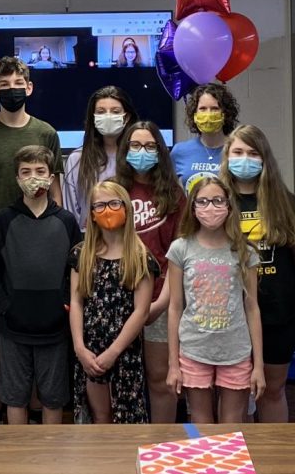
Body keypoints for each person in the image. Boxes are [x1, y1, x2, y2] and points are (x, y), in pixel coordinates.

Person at [0, 55, 63, 424]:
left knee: (40, 332)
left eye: (18, 85)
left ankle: (36, 408)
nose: (12, 91)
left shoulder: (46, 133)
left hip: (40, 250)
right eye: (4, 86)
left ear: (30, 88)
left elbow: (55, 192)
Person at [0, 145, 82, 425]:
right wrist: (4, 306)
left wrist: (64, 304)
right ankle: (17, 460)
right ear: (16, 179)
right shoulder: (4, 220)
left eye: (40, 171)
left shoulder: (66, 221)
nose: (33, 177)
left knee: (53, 396)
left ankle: (50, 459)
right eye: (25, 172)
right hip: (13, 326)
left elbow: (76, 269)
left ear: (51, 178)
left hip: (54, 326)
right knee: (15, 396)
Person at [219, 125, 295, 423]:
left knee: (272, 389)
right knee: (233, 393)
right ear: (227, 156)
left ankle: (276, 459)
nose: (245, 159)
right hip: (228, 312)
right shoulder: (215, 200)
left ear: (264, 158)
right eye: (238, 153)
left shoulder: (285, 202)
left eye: (252, 153)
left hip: (278, 312)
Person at [165, 177, 265, 423]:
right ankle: (202, 462)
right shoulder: (180, 249)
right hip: (193, 349)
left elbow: (252, 307)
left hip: (236, 350)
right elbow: (175, 307)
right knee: (200, 422)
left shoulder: (245, 252)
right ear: (193, 207)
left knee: (232, 424)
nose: (211, 207)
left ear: (229, 206)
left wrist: (259, 365)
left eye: (218, 200)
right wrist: (173, 364)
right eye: (203, 201)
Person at [113, 121, 185, 423]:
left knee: (159, 378)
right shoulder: (115, 190)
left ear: (161, 151)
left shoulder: (174, 195)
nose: (142, 152)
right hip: (119, 300)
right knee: (121, 379)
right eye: (136, 146)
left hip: (160, 300)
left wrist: (161, 303)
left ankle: (162, 443)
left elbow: (177, 256)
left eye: (150, 146)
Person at [69, 180, 155, 424]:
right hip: (90, 351)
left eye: (114, 203)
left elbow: (141, 311)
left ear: (126, 208)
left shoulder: (140, 256)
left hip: (124, 351)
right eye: (100, 205)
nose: (107, 210)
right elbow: (76, 301)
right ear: (92, 215)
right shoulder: (81, 254)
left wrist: (113, 352)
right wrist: (79, 348)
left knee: (127, 418)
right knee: (100, 416)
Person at [63, 86, 138, 230]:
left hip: (133, 241)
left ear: (126, 117)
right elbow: (71, 214)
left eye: (115, 111)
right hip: (90, 244)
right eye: (101, 112)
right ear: (93, 117)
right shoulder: (76, 160)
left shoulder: (139, 158)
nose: (108, 116)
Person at [169, 83, 240, 193]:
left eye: (215, 108)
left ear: (225, 114)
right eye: (202, 108)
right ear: (194, 114)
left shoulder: (237, 150)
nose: (208, 114)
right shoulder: (179, 152)